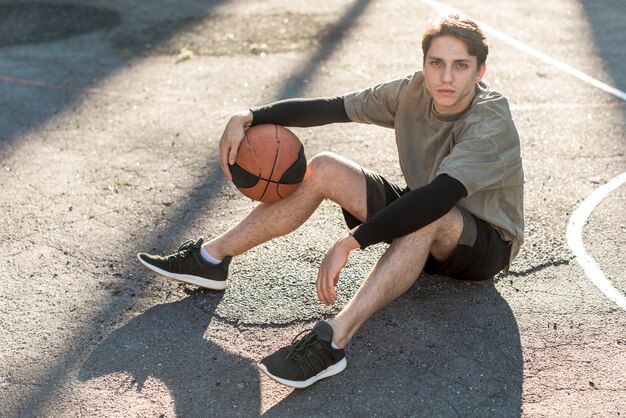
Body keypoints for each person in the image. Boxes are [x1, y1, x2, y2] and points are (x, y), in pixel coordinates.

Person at [137, 13, 524, 389]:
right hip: (424, 215)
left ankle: (333, 341)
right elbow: (333, 107)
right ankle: (210, 259)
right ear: (423, 64)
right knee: (323, 167)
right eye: (436, 63)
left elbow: (439, 197)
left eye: (460, 65)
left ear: (480, 72)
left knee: (430, 212)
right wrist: (251, 115)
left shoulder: (490, 121)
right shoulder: (412, 92)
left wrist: (353, 240)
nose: (446, 76)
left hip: (484, 244)